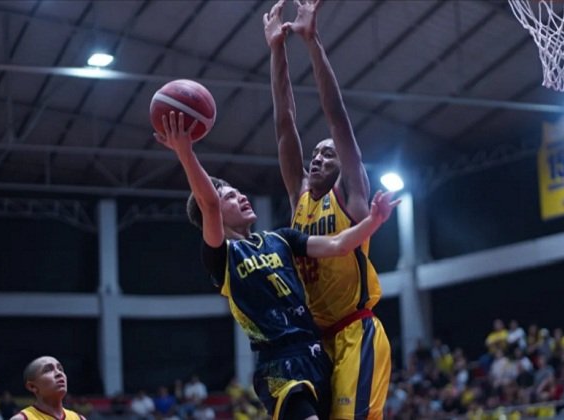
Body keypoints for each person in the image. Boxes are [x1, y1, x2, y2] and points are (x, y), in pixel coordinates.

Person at [154, 111, 399, 420]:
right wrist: (185, 152)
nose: (241, 196)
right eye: (230, 196)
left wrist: (375, 221)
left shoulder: (281, 239)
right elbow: (209, 203)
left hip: (317, 354)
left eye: (237, 191)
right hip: (280, 366)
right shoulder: (222, 256)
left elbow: (340, 245)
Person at [265, 1, 392, 417]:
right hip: (317, 342)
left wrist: (311, 41)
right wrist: (276, 51)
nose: (318, 158)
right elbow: (285, 121)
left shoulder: (351, 197)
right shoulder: (300, 196)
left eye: (328, 155)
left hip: (356, 331)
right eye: (315, 154)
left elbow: (338, 120)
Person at [11, 356, 85, 420]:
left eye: (60, 369)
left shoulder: (79, 418)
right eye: (48, 370)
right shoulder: (23, 418)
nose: (59, 373)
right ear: (32, 386)